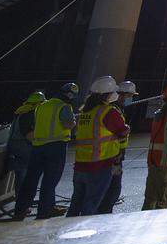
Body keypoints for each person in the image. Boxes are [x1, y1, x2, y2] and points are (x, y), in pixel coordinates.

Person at [12, 83, 77, 220]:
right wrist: (74, 122)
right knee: (49, 181)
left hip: (38, 147)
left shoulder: (41, 106)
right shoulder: (63, 107)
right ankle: (44, 211)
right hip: (55, 147)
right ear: (70, 95)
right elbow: (68, 124)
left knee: (30, 180)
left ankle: (20, 210)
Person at [68, 76, 128, 216]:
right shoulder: (107, 112)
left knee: (76, 203)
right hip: (100, 164)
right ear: (109, 94)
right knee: (92, 204)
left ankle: (66, 232)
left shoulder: (85, 112)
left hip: (81, 164)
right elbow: (122, 130)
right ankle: (87, 234)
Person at [96, 80, 138, 214]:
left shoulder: (116, 109)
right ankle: (103, 213)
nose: (130, 99)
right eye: (130, 96)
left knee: (110, 186)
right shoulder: (112, 111)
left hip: (112, 153)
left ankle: (103, 210)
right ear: (122, 95)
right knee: (112, 188)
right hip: (112, 154)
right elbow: (120, 131)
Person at [7, 91, 45, 192]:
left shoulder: (22, 111)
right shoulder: (29, 114)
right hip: (22, 146)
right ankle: (22, 200)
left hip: (15, 144)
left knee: (22, 173)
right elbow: (29, 135)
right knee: (24, 173)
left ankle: (22, 199)